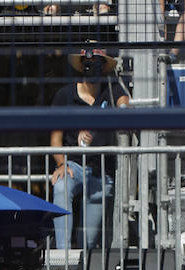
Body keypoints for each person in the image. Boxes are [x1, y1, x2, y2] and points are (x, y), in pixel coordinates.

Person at [49, 44, 131, 252]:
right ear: (81, 66)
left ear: (103, 67)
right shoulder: (65, 95)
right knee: (60, 187)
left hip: (101, 172)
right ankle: (62, 256)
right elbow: (55, 138)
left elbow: (124, 104)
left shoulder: (111, 91)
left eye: (95, 64)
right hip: (73, 165)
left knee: (89, 240)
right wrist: (61, 163)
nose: (91, 67)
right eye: (87, 64)